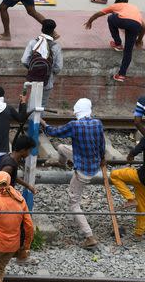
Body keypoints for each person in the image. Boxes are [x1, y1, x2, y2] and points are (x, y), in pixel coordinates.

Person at [41, 98, 104, 249]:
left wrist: (43, 123)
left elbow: (53, 132)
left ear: (77, 111)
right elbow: (102, 145)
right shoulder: (98, 123)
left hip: (83, 171)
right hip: (93, 164)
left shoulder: (74, 125)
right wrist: (102, 159)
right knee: (62, 148)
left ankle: (89, 237)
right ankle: (61, 163)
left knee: (74, 204)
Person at [84, 0, 144, 82]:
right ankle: (121, 75)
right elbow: (143, 26)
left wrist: (90, 21)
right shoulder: (134, 8)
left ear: (117, 2)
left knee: (110, 18)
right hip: (136, 25)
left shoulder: (117, 5)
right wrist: (138, 40)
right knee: (128, 51)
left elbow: (99, 13)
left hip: (124, 21)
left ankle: (118, 43)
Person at [21, 19, 63, 107]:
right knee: (41, 105)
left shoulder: (33, 42)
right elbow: (58, 67)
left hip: (33, 78)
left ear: (42, 29)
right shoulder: (56, 47)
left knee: (32, 102)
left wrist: (34, 69)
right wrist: (49, 72)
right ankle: (37, 120)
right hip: (47, 81)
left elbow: (24, 60)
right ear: (53, 31)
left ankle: (30, 120)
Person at [112, 138, 145, 241]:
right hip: (142, 181)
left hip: (141, 176)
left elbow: (136, 150)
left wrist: (130, 156)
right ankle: (138, 234)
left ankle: (130, 199)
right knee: (141, 206)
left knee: (114, 175)